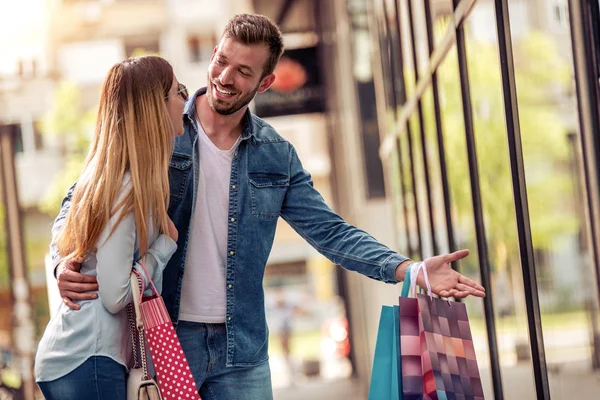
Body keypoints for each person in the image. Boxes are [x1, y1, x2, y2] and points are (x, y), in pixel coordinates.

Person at [51, 14, 485, 399]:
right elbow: (85, 196)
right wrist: (61, 264)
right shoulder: (161, 127)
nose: (224, 76)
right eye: (221, 59)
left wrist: (409, 269)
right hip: (166, 337)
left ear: (265, 83)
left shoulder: (275, 156)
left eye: (243, 71)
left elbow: (330, 231)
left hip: (243, 351)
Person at [35, 55, 187, 399]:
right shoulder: (127, 189)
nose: (185, 101)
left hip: (78, 356)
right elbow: (116, 295)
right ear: (156, 107)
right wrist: (165, 245)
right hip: (88, 358)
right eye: (179, 92)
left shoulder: (112, 177)